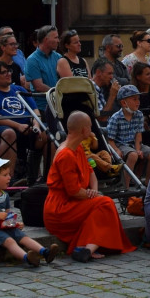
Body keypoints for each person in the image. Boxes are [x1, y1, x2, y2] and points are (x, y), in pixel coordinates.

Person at [44, 112, 133, 262]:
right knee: (105, 203)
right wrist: (95, 196)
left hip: (76, 201)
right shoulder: (65, 154)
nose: (92, 130)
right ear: (84, 130)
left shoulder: (77, 147)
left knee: (103, 204)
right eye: (90, 127)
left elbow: (90, 172)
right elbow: (74, 192)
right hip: (60, 209)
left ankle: (86, 248)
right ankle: (85, 247)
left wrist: (94, 191)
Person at [0, 156, 46, 268]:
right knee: (9, 241)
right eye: (5, 175)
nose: (9, 178)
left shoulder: (4, 196)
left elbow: (7, 215)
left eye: (9, 174)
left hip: (3, 226)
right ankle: (27, 258)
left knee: (22, 236)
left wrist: (14, 223)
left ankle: (44, 252)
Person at [105, 84, 150, 180]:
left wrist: (138, 148)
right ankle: (126, 186)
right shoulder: (116, 117)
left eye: (138, 99)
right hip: (121, 144)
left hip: (133, 144)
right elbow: (110, 139)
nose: (138, 102)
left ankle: (148, 183)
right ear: (124, 103)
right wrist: (116, 150)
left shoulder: (139, 115)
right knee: (133, 155)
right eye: (134, 99)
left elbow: (138, 134)